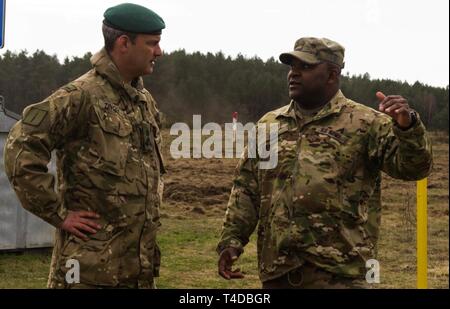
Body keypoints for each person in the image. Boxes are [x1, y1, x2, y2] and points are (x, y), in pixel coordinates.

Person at [216, 37, 433, 288]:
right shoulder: (268, 125)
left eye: (305, 67)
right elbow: (247, 187)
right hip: (279, 271)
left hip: (343, 274)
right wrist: (231, 241)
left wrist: (408, 128)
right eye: (291, 67)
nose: (293, 74)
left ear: (332, 75)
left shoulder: (367, 123)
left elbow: (415, 168)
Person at [3, 3, 166, 289]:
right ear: (124, 43)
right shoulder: (80, 96)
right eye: (152, 43)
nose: (159, 52)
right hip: (87, 272)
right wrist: (58, 214)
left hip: (136, 271)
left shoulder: (143, 101)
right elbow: (20, 144)